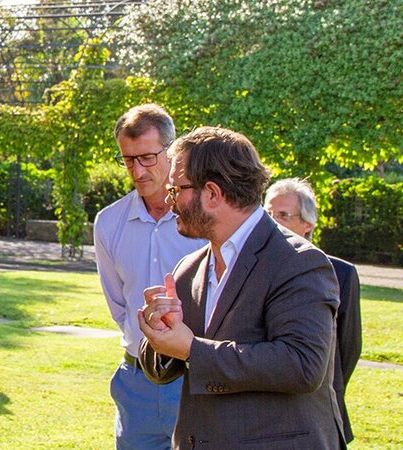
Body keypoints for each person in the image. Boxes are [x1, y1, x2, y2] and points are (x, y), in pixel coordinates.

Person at [138, 126, 345, 448]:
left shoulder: (298, 262)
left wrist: (192, 349)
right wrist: (159, 333)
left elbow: (303, 364)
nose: (169, 200)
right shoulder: (188, 268)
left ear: (212, 193)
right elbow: (163, 367)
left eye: (176, 189)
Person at [93, 104, 205, 449]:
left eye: (147, 158)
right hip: (136, 382)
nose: (137, 171)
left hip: (196, 378)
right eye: (128, 160)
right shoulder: (108, 222)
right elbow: (120, 305)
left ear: (172, 152)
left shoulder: (204, 217)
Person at [264, 177, 362, 443]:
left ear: (308, 224)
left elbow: (348, 347)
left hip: (319, 412)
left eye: (283, 215)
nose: (273, 221)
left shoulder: (341, 273)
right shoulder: (250, 270)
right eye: (268, 213)